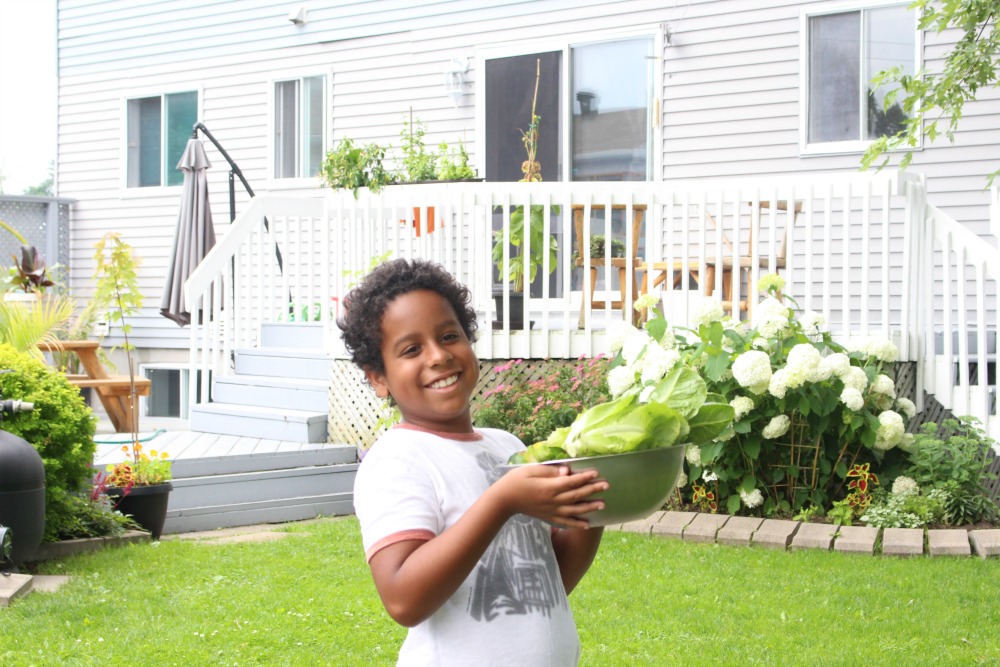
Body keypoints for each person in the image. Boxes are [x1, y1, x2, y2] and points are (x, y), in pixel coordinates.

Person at [340, 258, 607, 666]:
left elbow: (550, 579)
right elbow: (402, 598)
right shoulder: (396, 460)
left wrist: (592, 504)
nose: (438, 356)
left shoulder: (506, 447)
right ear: (378, 377)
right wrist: (502, 501)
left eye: (449, 336)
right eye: (411, 349)